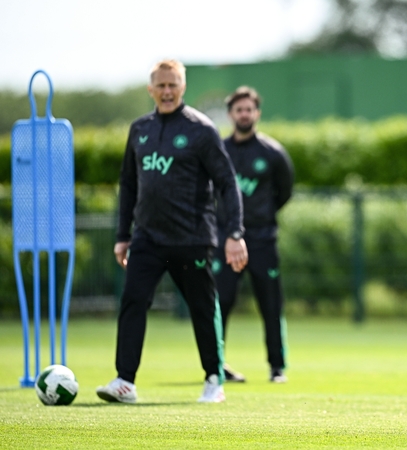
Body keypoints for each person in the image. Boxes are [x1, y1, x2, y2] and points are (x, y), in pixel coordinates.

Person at [96, 59, 248, 404]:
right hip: (147, 237)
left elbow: (227, 182)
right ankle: (125, 381)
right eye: (161, 85)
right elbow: (128, 184)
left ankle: (213, 378)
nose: (167, 91)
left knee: (202, 307)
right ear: (151, 89)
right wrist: (123, 235)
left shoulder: (201, 129)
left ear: (183, 88)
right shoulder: (139, 129)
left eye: (173, 85)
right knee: (133, 300)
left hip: (192, 238)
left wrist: (235, 233)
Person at [213, 86, 294, 384]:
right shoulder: (219, 151)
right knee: (220, 302)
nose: (244, 114)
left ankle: (277, 367)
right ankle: (216, 366)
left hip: (262, 240)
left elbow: (284, 192)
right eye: (239, 110)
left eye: (249, 109)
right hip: (225, 240)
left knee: (270, 303)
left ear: (257, 113)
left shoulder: (272, 153)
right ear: (231, 114)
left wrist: (260, 219)